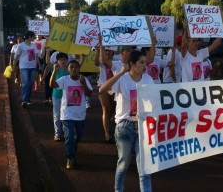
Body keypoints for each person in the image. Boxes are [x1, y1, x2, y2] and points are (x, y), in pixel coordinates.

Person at [99, 50, 153, 192]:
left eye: (145, 63)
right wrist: (120, 73)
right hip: (125, 127)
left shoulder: (148, 80)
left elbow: (155, 101)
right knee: (123, 164)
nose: (144, 65)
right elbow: (101, 89)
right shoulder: (122, 79)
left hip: (143, 126)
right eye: (141, 62)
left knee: (144, 168)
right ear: (132, 64)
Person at [50, 59, 93, 169]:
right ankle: (70, 158)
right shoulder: (64, 79)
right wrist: (54, 71)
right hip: (67, 114)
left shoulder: (84, 79)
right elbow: (52, 84)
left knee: (78, 135)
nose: (74, 69)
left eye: (76, 67)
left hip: (80, 114)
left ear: (79, 69)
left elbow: (90, 93)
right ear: (68, 70)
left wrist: (83, 83)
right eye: (71, 67)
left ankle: (73, 145)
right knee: (68, 136)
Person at [95, 40, 118, 143]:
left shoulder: (117, 61)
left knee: (113, 108)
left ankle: (110, 123)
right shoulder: (101, 60)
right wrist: (97, 50)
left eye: (110, 50)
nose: (108, 52)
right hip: (103, 86)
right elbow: (96, 62)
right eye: (106, 50)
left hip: (115, 87)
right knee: (106, 108)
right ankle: (107, 133)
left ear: (114, 51)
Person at [13, 31, 40, 108]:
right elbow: (16, 57)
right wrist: (14, 65)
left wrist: (39, 65)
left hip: (33, 67)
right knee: (25, 83)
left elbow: (37, 56)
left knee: (31, 83)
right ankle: (24, 100)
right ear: (29, 37)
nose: (34, 38)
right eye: (33, 37)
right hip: (24, 67)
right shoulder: (21, 46)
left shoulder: (34, 45)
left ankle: (28, 99)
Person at [49, 52, 69, 141]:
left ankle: (66, 133)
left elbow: (79, 66)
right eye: (60, 59)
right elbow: (51, 83)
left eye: (64, 59)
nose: (62, 61)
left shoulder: (69, 70)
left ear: (67, 61)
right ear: (57, 61)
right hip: (56, 95)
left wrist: (82, 58)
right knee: (57, 115)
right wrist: (54, 70)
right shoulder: (55, 69)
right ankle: (57, 133)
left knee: (66, 115)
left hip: (67, 96)